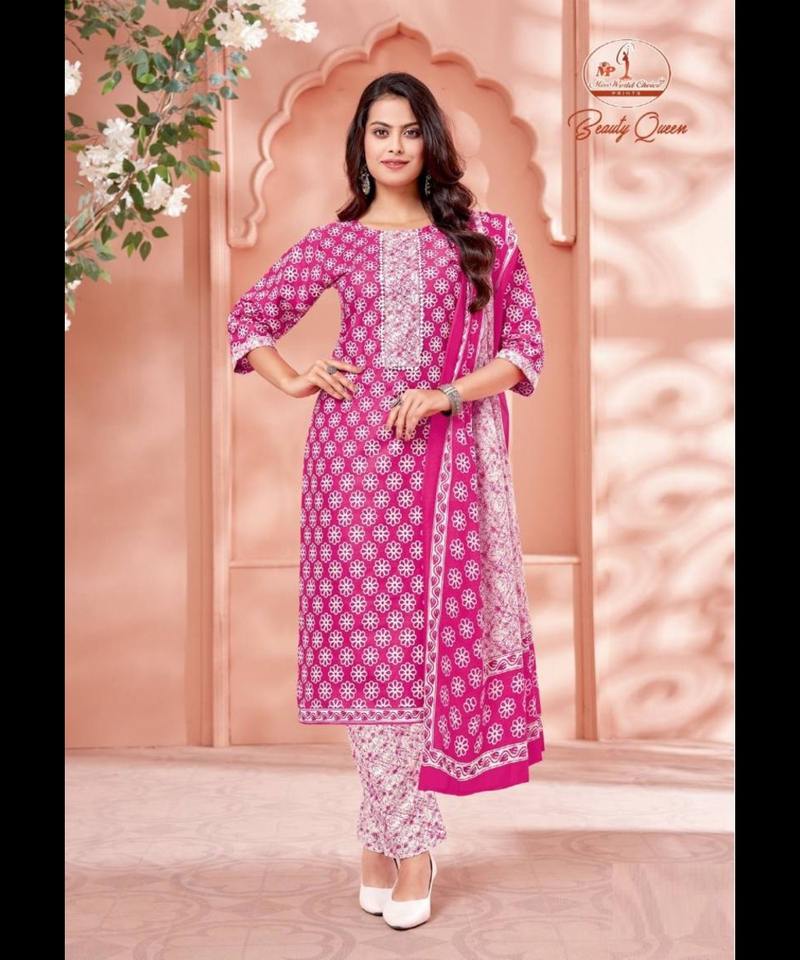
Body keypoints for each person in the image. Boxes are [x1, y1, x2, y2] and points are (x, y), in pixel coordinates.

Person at [226, 71, 546, 930]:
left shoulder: (484, 239)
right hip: (351, 472)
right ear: (360, 146)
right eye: (380, 132)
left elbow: (524, 352)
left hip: (444, 472)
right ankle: (405, 840)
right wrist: (296, 377)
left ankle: (392, 841)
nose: (395, 146)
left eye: (409, 131)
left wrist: (447, 393)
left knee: (416, 653)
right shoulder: (336, 243)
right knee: (369, 653)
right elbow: (249, 320)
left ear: (430, 141)